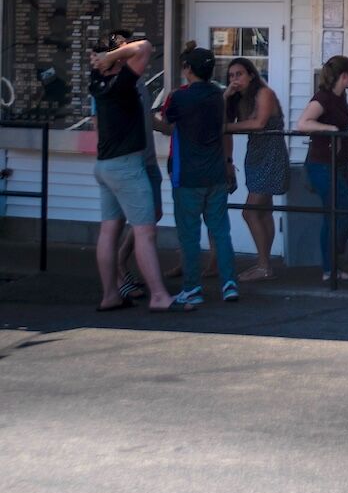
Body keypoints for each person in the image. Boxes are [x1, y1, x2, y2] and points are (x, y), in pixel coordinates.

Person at [88, 36, 183, 312]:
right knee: (145, 233)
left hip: (104, 166)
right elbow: (144, 47)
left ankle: (110, 295)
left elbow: (132, 52)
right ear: (114, 60)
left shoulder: (97, 82)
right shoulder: (121, 84)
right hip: (127, 166)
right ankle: (158, 296)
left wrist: (106, 58)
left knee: (109, 231)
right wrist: (112, 56)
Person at [154, 47, 238, 305]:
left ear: (188, 69)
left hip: (187, 174)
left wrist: (146, 118)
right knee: (221, 231)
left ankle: (192, 288)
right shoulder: (218, 95)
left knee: (189, 234)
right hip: (215, 173)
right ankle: (229, 284)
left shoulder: (179, 96)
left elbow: (167, 122)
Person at [294, 55, 348, 282]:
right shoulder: (324, 98)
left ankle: (331, 266)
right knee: (345, 215)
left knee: (334, 215)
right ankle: (330, 265)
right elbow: (303, 123)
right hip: (321, 164)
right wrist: (330, 128)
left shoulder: (340, 98)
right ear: (344, 75)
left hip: (337, 163)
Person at [225, 57, 288, 282]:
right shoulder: (239, 98)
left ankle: (263, 265)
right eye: (231, 76)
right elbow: (222, 117)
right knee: (263, 211)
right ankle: (265, 263)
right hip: (255, 154)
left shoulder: (264, 93)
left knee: (249, 211)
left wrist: (226, 127)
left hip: (271, 153)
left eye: (239, 74)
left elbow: (259, 123)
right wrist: (225, 96)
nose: (235, 79)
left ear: (251, 74)